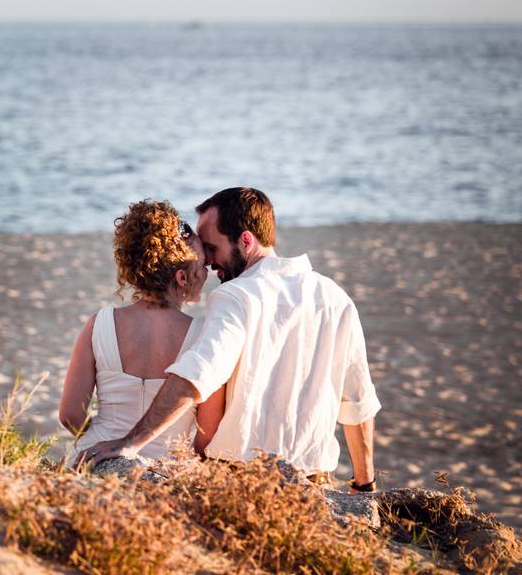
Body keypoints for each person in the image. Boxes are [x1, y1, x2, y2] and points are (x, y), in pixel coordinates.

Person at [76, 187, 381, 492]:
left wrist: (130, 443)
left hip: (240, 482)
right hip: (313, 486)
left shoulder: (235, 296)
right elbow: (356, 401)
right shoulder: (335, 298)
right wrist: (365, 485)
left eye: (211, 247)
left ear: (246, 241)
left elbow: (198, 374)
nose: (206, 261)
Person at [59, 200, 226, 464]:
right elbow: (208, 430)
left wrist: (99, 437)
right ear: (182, 278)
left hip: (97, 456)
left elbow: (69, 415)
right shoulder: (204, 335)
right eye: (203, 267)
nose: (207, 275)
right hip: (165, 466)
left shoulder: (99, 324)